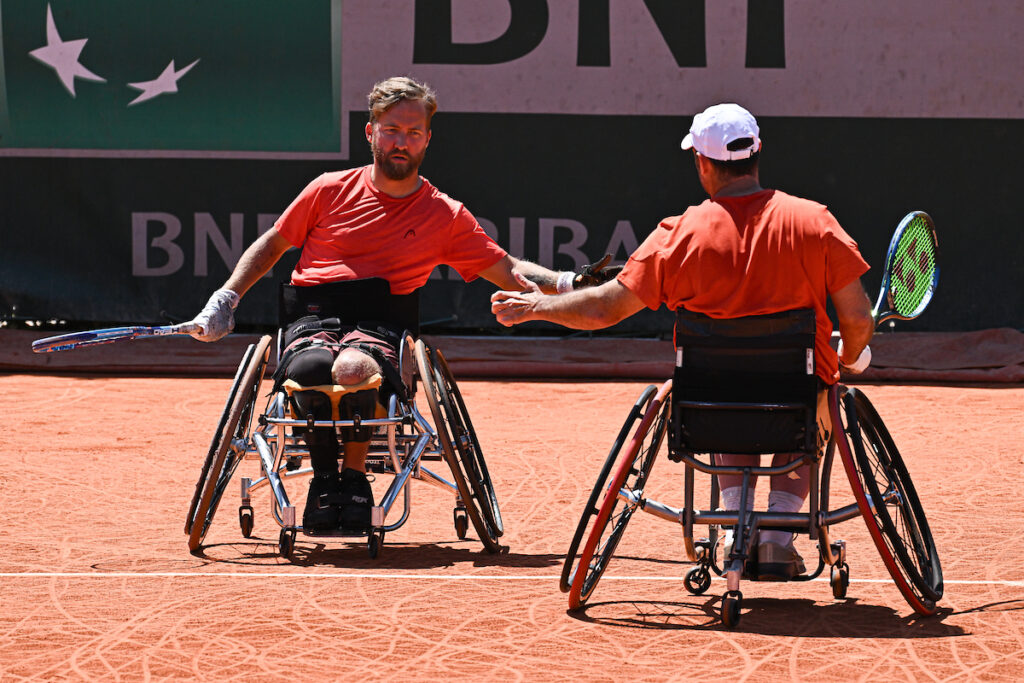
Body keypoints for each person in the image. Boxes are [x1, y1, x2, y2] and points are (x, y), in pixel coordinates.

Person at [187, 76, 617, 533]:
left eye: (414, 133)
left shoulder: (444, 215)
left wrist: (568, 282)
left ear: (428, 140)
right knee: (310, 368)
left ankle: (354, 481)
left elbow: (508, 268)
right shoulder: (327, 190)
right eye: (391, 129)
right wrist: (225, 298)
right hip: (312, 315)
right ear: (370, 132)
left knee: (352, 370)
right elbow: (273, 245)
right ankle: (323, 482)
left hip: (380, 322)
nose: (402, 142)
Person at [491, 103, 875, 580]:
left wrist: (535, 307)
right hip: (797, 399)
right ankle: (776, 537)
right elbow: (857, 318)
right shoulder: (814, 221)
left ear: (702, 163)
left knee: (728, 389)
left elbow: (602, 309)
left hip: (708, 403)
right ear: (757, 154)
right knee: (823, 389)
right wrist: (851, 359)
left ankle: (736, 527)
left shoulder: (677, 235)